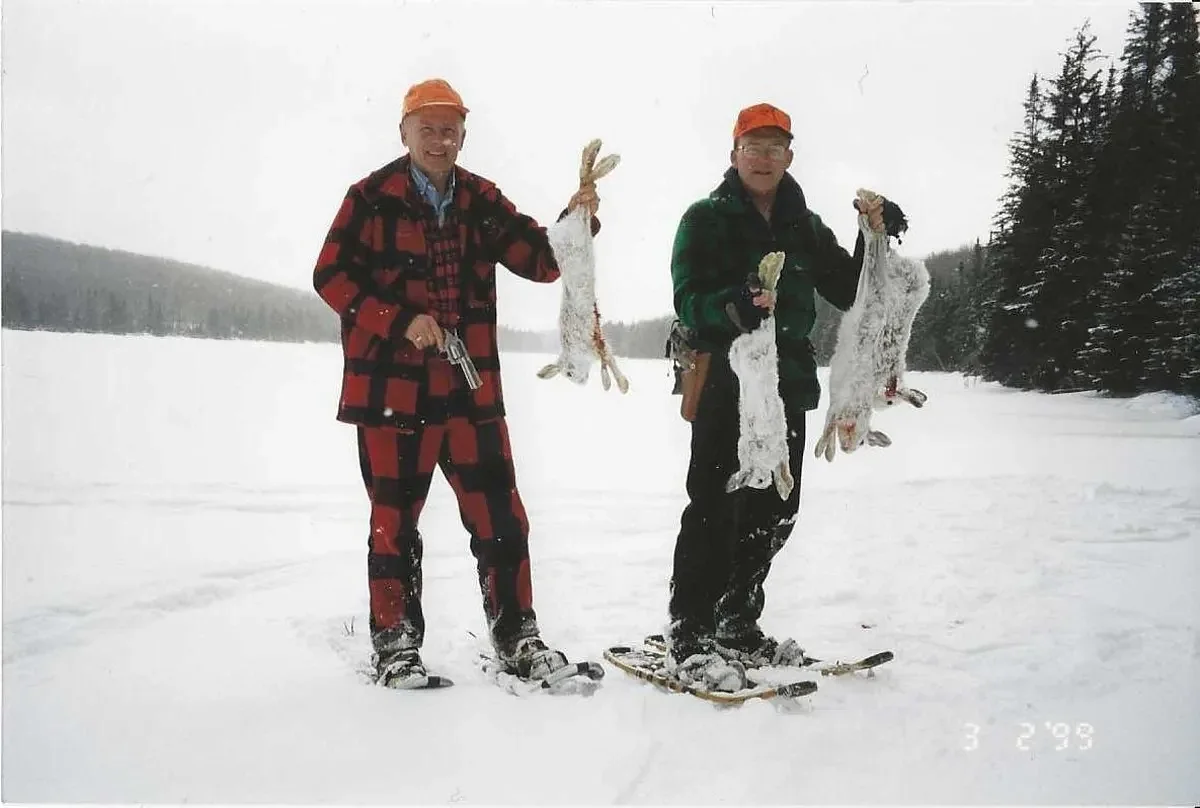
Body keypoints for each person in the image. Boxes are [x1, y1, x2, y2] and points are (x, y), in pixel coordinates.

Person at [313, 78, 601, 689]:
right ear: (404, 133)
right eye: (427, 129)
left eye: (449, 130)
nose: (439, 140)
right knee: (393, 524)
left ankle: (517, 636)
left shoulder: (479, 199)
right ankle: (396, 647)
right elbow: (330, 276)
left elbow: (542, 261)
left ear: (463, 135)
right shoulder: (369, 198)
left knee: (501, 519)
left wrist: (576, 224)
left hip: (472, 393)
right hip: (392, 393)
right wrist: (398, 321)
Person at [664, 102, 895, 689]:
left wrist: (876, 238)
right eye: (753, 146)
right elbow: (688, 298)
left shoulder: (805, 224)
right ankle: (690, 632)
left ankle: (737, 622)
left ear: (789, 156)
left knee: (776, 512)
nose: (763, 158)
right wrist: (731, 307)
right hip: (724, 381)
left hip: (786, 385)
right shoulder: (704, 219)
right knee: (716, 508)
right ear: (733, 153)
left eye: (775, 147)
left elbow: (848, 289)